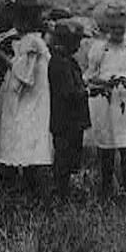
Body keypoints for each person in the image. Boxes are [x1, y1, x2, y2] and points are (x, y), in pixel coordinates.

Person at [0, 0, 53, 194]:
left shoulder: (31, 42)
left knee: (21, 133)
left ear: (24, 20)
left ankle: (22, 184)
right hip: (27, 95)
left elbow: (25, 75)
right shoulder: (30, 40)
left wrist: (2, 58)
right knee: (21, 134)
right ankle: (20, 181)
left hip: (28, 97)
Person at [85, 0, 126, 198]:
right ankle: (106, 185)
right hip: (103, 100)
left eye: (121, 28)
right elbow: (89, 77)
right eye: (114, 28)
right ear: (108, 28)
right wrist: (105, 82)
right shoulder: (99, 49)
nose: (118, 32)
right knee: (106, 143)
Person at [48, 23, 90, 199]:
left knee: (70, 155)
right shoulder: (60, 62)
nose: (79, 46)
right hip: (66, 119)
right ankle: (60, 191)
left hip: (71, 119)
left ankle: (64, 190)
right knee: (64, 157)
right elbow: (68, 92)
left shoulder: (67, 61)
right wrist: (87, 91)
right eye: (77, 41)